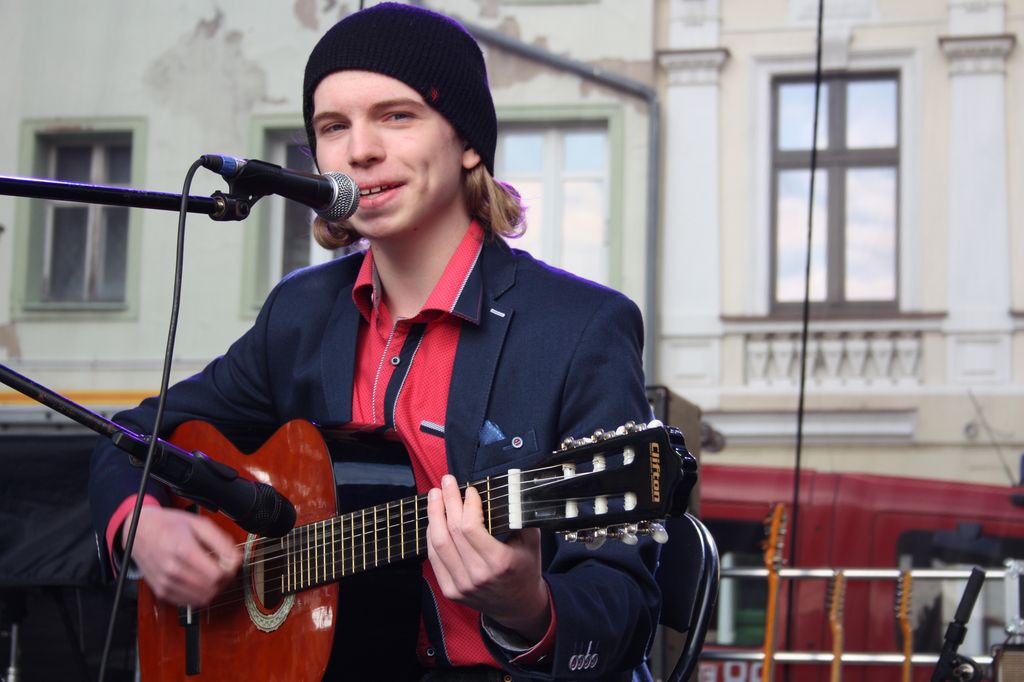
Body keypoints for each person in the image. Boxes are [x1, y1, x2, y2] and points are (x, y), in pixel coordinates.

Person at [89, 3, 659, 680]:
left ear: (468, 143)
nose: (359, 150)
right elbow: (132, 438)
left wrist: (528, 607)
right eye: (334, 126)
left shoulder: (579, 328)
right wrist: (142, 526)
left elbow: (626, 611)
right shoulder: (301, 314)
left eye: (396, 115)